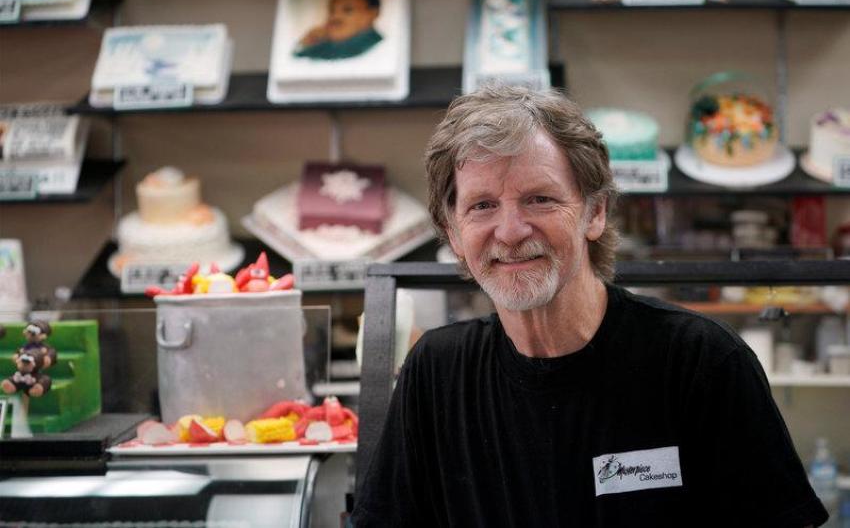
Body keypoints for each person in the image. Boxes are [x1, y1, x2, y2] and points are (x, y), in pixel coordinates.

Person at [351, 84, 828, 527]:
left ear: (594, 212)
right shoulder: (436, 373)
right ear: (453, 233)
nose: (511, 230)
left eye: (539, 199)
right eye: (481, 206)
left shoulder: (701, 362)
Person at [293, 0, 383, 61]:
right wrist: (306, 43)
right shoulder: (324, 45)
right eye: (332, 11)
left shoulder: (375, 46)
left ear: (373, 14)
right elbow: (298, 57)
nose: (335, 17)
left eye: (348, 10)